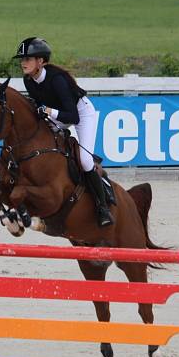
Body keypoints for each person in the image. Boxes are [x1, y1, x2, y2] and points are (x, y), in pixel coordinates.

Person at [13, 37, 114, 227]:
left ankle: (103, 207)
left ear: (40, 61)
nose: (23, 63)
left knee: (84, 160)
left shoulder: (57, 79)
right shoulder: (29, 81)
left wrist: (49, 112)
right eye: (22, 59)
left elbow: (73, 117)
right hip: (59, 114)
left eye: (28, 58)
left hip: (81, 114)